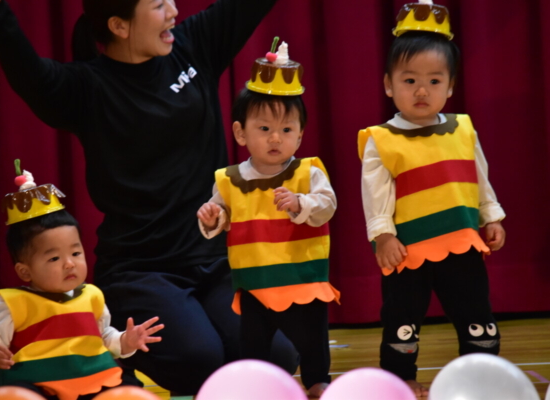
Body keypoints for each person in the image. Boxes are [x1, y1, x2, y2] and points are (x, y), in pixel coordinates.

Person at [0, 0, 298, 395]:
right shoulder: (86, 89)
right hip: (141, 270)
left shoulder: (193, 45)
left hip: (215, 261)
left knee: (278, 355)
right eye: (158, 4)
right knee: (199, 358)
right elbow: (26, 69)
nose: (173, 10)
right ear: (119, 25)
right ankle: (114, 353)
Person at [357, 2, 506, 397]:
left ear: (450, 85)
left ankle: (480, 375)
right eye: (409, 80)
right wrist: (383, 236)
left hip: (462, 242)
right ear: (389, 84)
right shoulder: (381, 139)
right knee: (402, 320)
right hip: (408, 251)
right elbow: (375, 195)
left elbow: (480, 178)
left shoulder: (463, 129)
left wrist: (490, 216)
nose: (422, 90)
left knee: (476, 314)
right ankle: (401, 377)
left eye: (434, 81)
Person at [197, 41, 339, 398]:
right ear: (241, 133)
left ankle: (317, 381)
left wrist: (300, 202)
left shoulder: (308, 172)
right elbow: (220, 216)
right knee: (254, 344)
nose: (276, 138)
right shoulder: (229, 179)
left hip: (302, 279)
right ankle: (256, 386)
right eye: (264, 129)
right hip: (254, 283)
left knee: (312, 338)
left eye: (287, 130)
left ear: (300, 135)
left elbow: (327, 205)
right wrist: (213, 217)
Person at [0, 169, 164, 400]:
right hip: (38, 381)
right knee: (19, 395)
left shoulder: (92, 295)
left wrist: (125, 341)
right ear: (24, 271)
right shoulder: (12, 303)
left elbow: (103, 336)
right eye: (54, 258)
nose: (70, 264)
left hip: (92, 376)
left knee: (128, 385)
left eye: (76, 253)